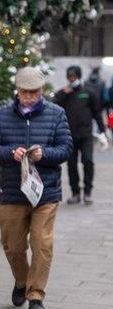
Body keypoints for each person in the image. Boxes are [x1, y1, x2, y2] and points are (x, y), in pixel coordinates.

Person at [0, 67, 72, 309]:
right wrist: (10, 152)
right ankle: (21, 281)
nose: (30, 97)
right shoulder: (1, 115)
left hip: (46, 191)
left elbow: (66, 148)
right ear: (17, 91)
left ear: (42, 91)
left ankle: (36, 295)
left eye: (34, 92)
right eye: (25, 92)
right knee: (12, 245)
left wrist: (45, 154)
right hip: (13, 189)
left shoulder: (56, 114)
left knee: (41, 243)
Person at [54, 65, 105, 205]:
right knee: (71, 164)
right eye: (70, 77)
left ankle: (87, 191)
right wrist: (65, 93)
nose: (72, 79)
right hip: (69, 136)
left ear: (79, 76)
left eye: (74, 76)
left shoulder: (88, 92)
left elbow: (97, 113)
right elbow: (54, 106)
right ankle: (75, 192)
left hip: (86, 134)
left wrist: (102, 131)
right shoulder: (64, 93)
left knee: (88, 161)